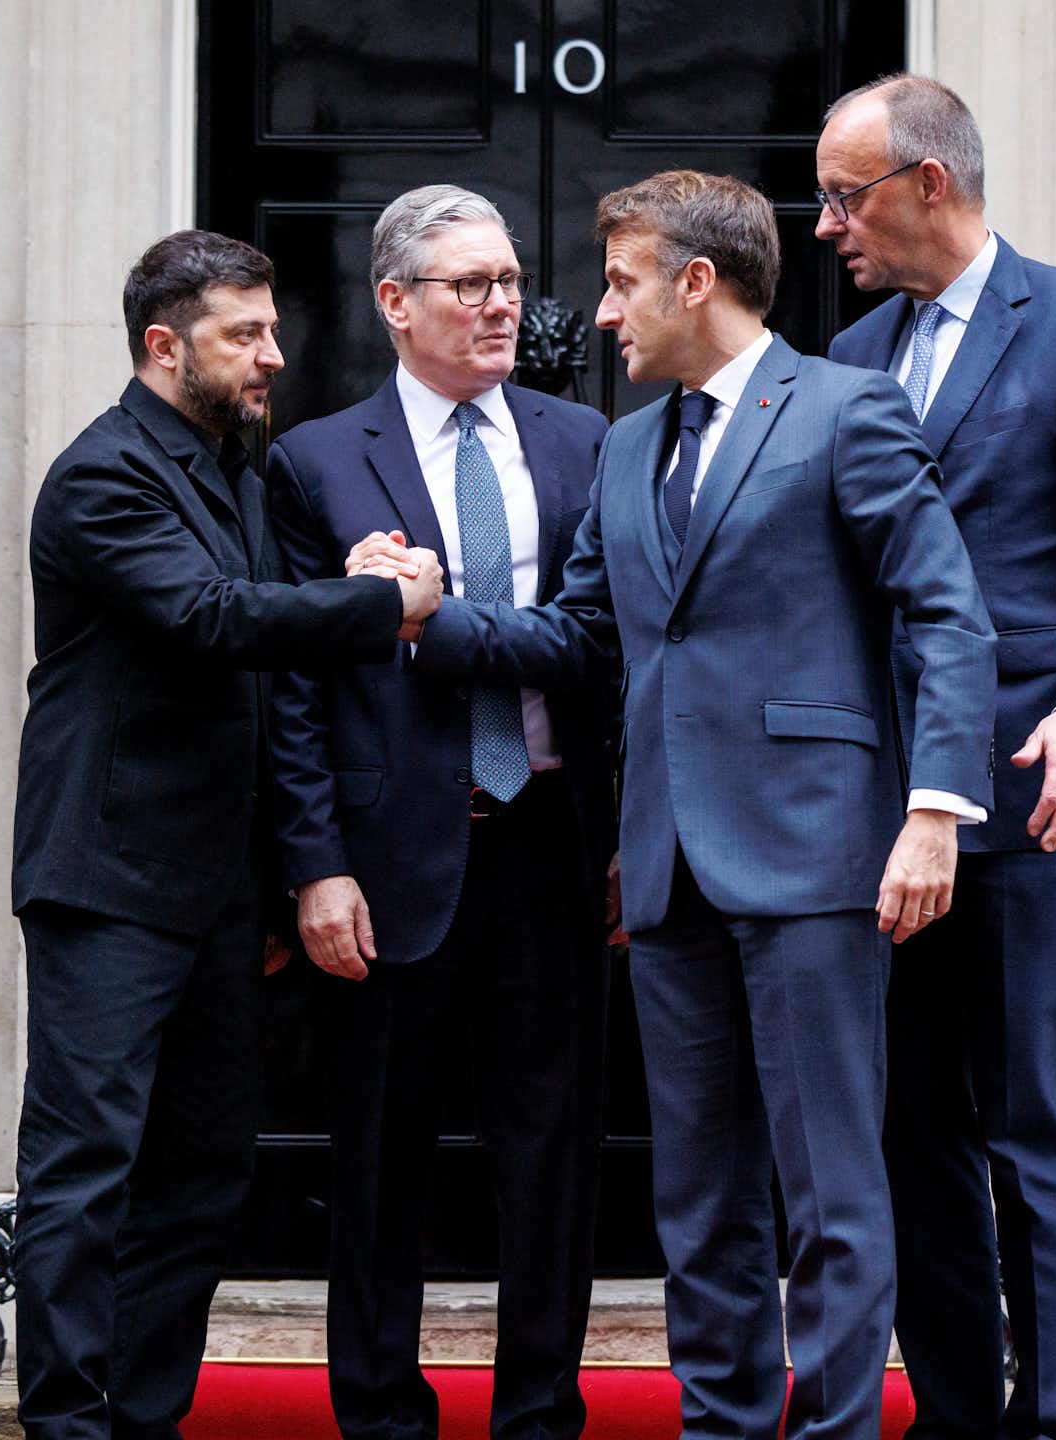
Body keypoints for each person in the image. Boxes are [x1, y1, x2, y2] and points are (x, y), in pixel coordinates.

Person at [350, 170, 995, 1440]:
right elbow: (583, 635)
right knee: (699, 1199)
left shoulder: (846, 412)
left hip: (818, 857)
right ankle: (724, 1426)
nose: (600, 315)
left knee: (830, 1198)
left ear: (695, 283)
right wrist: (429, 615)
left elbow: (945, 614)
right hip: (665, 873)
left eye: (622, 281)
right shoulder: (632, 445)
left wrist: (933, 811)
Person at [8, 229, 440, 1440]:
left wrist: (344, 575)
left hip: (209, 890)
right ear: (164, 346)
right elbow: (208, 619)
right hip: (107, 879)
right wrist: (380, 605)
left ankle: (139, 1419)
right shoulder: (103, 476)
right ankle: (67, 1425)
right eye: (243, 334)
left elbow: (256, 620)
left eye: (271, 328)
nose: (273, 354)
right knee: (87, 1171)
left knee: (202, 1174)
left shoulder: (230, 462)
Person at [815, 75, 1056, 1440]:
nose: (824, 224)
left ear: (929, 182)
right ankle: (962, 1412)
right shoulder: (849, 357)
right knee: (910, 1125)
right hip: (881, 806)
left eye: (845, 195)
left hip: (1033, 796)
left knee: (1031, 1125)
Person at [264, 185, 618, 1440]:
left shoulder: (587, 443)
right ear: (395, 304)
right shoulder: (313, 461)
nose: (501, 306)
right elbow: (292, 690)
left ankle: (539, 1414)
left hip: (550, 846)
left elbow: (604, 652)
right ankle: (380, 1416)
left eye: (511, 281)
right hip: (386, 853)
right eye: (470, 285)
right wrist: (312, 865)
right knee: (375, 1158)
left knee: (550, 1157)